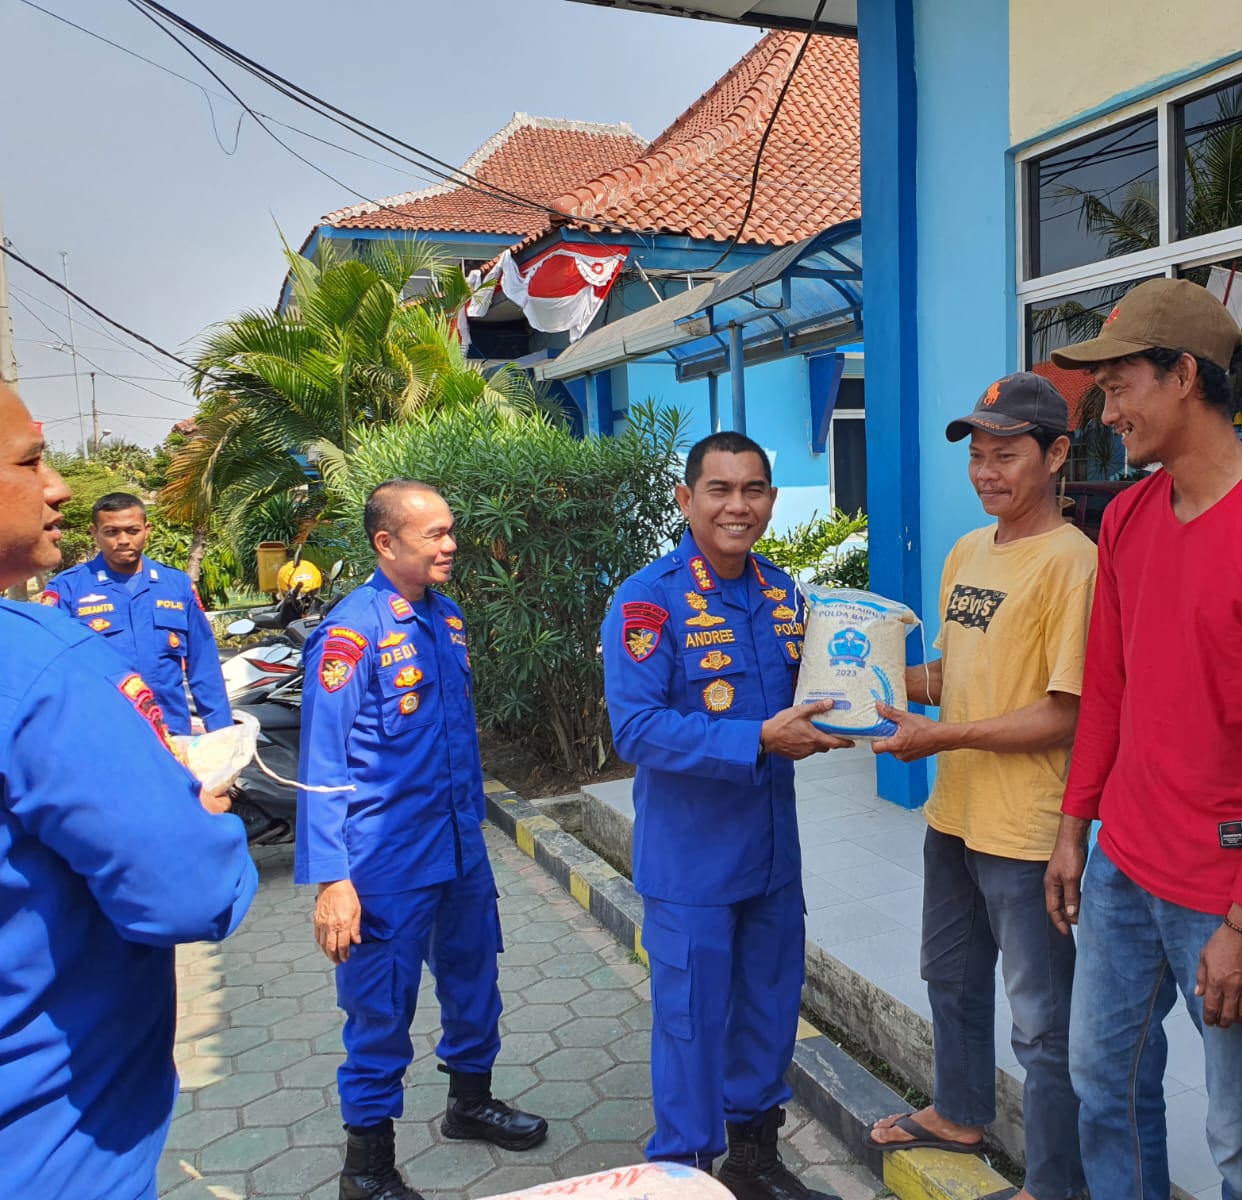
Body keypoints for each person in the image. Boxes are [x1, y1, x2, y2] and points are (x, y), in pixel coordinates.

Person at [1041, 278, 1242, 1200]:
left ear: (1184, 376)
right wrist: (1074, 829)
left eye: (1119, 387)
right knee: (1101, 1084)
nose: (1108, 411)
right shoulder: (1128, 517)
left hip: (1226, 891)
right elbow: (1108, 688)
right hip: (1123, 867)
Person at [0, 382, 257, 1198]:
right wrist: (201, 822)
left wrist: (215, 739)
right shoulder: (45, 650)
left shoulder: (173, 589)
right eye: (31, 462)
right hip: (52, 1143)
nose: (57, 487)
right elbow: (187, 891)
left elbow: (202, 670)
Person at [602, 431, 849, 1200]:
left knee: (769, 1012)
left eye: (753, 490)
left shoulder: (783, 594)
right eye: (719, 489)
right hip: (692, 867)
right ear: (686, 499)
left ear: (770, 501)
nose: (737, 506)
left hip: (771, 859)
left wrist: (885, 692)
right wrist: (759, 739)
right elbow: (637, 729)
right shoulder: (649, 601)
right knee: (692, 1026)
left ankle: (754, 1160)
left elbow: (822, 683)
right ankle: (683, 1175)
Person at [865, 373, 1094, 1200]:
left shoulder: (1075, 564)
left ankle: (1056, 1182)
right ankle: (960, 1112)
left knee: (1042, 1023)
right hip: (955, 813)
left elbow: (1066, 712)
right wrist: (865, 682)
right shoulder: (968, 551)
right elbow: (955, 674)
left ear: (1057, 454)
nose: (986, 473)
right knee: (950, 978)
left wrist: (941, 737)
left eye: (1006, 455)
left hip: (1026, 830)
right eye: (978, 457)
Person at [297, 479, 546, 1200]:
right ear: (386, 543)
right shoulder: (351, 634)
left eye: (450, 530)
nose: (451, 545)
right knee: (380, 1011)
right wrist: (333, 880)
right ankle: (367, 1167)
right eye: (434, 534)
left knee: (475, 982)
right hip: (385, 863)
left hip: (459, 849)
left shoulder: (447, 618)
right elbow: (322, 765)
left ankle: (470, 1103)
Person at [42, 491, 231, 733]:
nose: (123, 540)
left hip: (170, 731)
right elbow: (52, 670)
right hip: (100, 732)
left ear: (147, 530)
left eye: (132, 531)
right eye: (111, 531)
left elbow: (204, 665)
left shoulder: (176, 585)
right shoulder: (68, 588)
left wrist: (222, 731)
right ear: (94, 533)